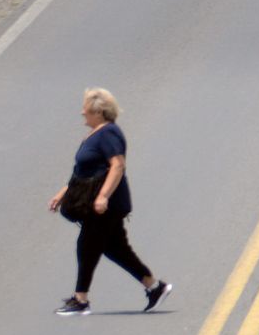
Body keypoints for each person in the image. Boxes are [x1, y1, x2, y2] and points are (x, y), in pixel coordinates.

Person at [48, 87, 171, 316]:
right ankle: (155, 287)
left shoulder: (108, 134)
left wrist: (103, 196)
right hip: (99, 202)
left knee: (87, 245)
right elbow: (84, 173)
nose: (81, 112)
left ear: (98, 111)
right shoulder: (96, 134)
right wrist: (62, 193)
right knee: (116, 249)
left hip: (106, 205)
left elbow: (117, 165)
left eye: (85, 108)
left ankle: (80, 299)